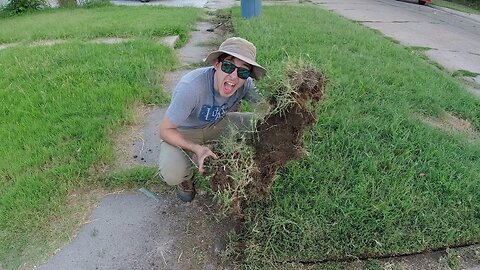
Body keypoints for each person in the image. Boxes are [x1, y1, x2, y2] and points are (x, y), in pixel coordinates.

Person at [158, 37, 267, 202]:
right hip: (185, 131)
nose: (234, 77)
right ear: (216, 64)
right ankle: (186, 178)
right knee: (173, 174)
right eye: (229, 66)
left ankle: (255, 163)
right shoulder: (191, 87)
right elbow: (164, 130)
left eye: (243, 71)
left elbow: (267, 109)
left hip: (218, 124)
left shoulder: (245, 85)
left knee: (264, 126)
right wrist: (197, 149)